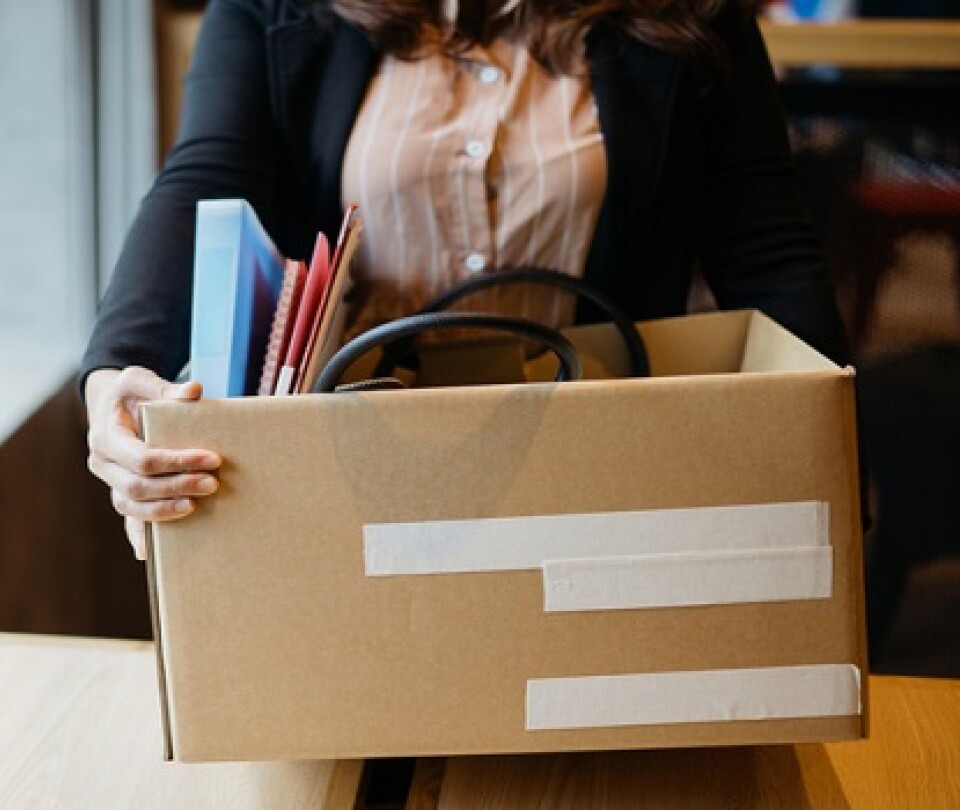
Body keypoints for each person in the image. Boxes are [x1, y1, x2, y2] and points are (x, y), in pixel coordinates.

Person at [81, 0, 852, 558]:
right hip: (344, 469)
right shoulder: (278, 9)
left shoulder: (693, 16)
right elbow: (205, 177)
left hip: (601, 467)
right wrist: (115, 369)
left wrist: (828, 479)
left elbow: (766, 250)